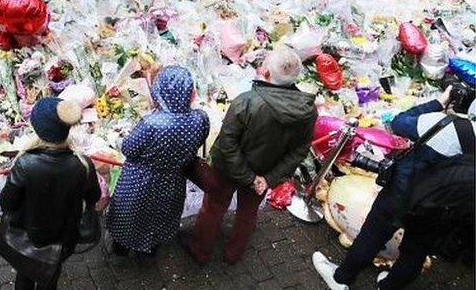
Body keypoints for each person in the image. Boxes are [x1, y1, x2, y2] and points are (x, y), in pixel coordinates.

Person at [313, 83, 475, 290]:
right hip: (442, 208)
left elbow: (399, 123)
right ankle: (389, 286)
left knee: (373, 233)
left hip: (404, 191)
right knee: (416, 251)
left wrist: (439, 102)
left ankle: (341, 279)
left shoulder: (450, 126)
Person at [189, 47, 316, 264]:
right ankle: (233, 253)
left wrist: (248, 177)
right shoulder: (308, 110)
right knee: (248, 211)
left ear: (265, 73)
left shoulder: (246, 102)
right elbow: (299, 151)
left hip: (229, 170)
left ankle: (200, 250)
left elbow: (228, 144)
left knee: (214, 207)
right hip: (265, 173)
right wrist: (267, 179)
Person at [0, 94, 100, 289]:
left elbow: (6, 203)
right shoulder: (83, 164)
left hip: (28, 237)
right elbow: (94, 197)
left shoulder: (25, 163)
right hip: (64, 238)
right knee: (50, 275)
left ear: (38, 129)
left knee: (25, 274)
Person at [107, 66, 209, 256]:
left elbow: (128, 149)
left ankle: (121, 249)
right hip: (172, 180)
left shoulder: (152, 123)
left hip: (139, 180)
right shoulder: (200, 118)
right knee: (159, 216)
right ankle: (150, 249)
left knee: (131, 215)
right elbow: (198, 141)